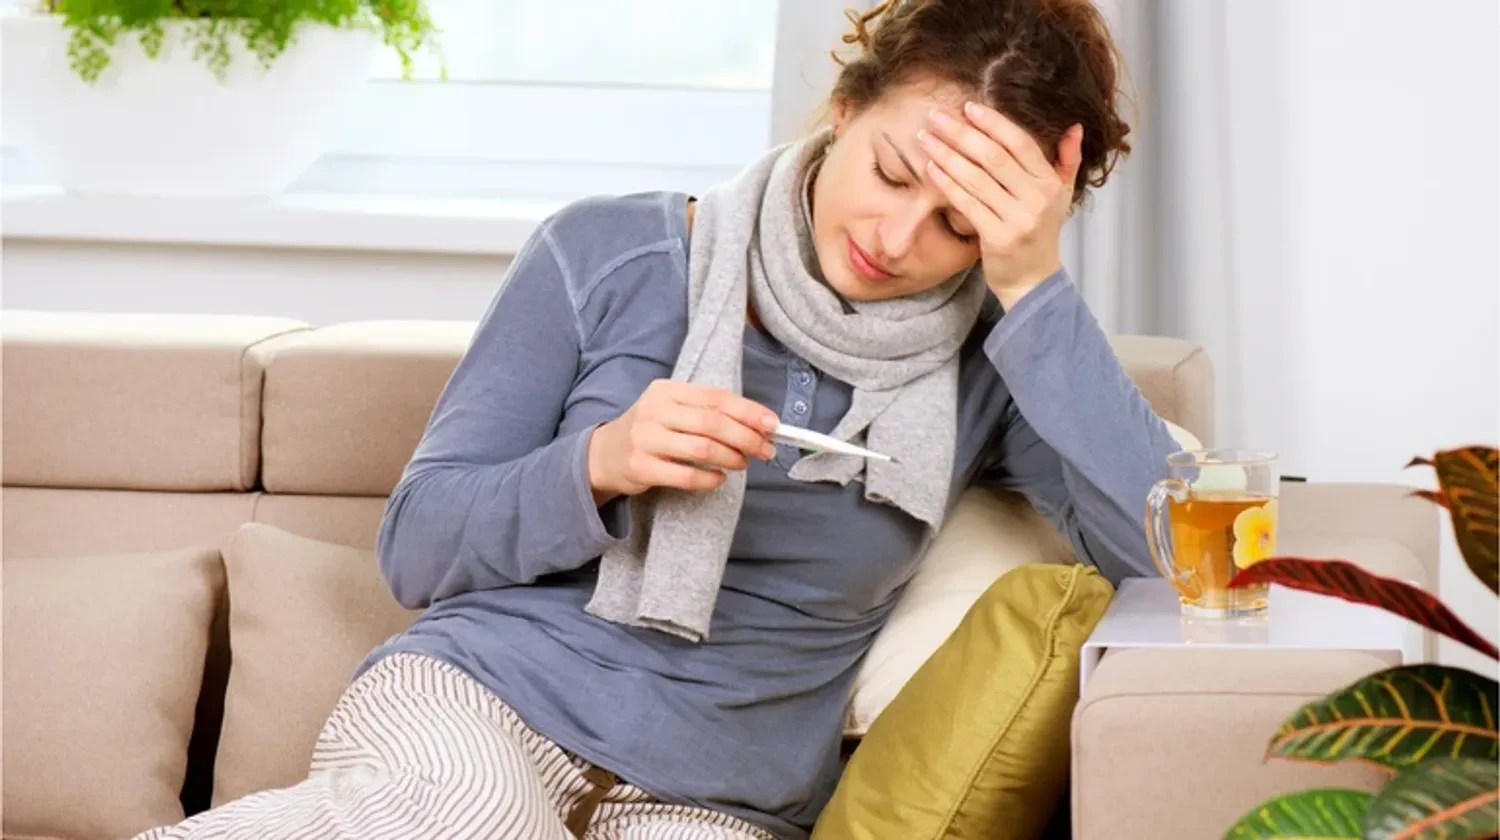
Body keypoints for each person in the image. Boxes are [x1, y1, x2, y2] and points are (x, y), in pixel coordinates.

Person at [136, 0, 1179, 838]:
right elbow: (417, 547)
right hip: (485, 704)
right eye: (893, 174)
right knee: (474, 819)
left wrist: (1033, 288)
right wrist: (600, 462)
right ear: (842, 111)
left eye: (959, 224)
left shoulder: (998, 361)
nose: (898, 237)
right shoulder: (609, 254)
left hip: (719, 798)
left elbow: (1174, 559)